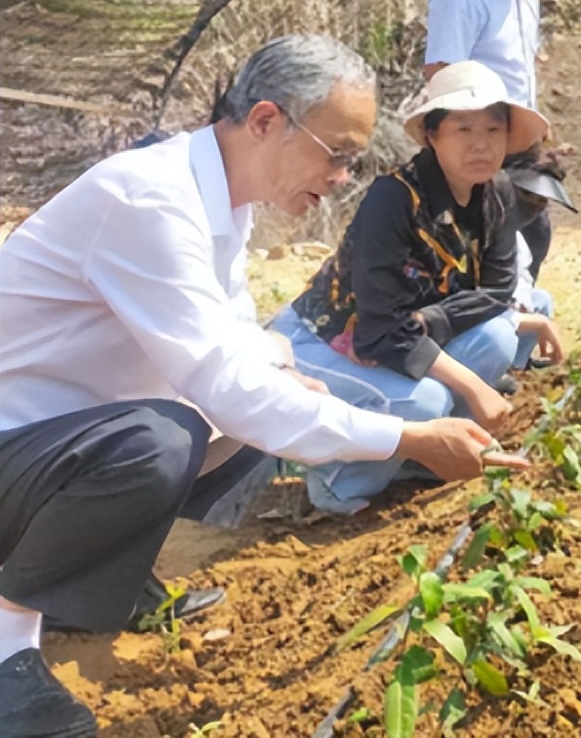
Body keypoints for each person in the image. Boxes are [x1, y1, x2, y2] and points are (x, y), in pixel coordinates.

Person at [0, 36, 524, 738]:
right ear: (268, 121)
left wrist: (294, 381)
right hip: (20, 443)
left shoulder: (222, 202)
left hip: (54, 443)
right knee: (162, 441)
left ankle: (101, 581)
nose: (343, 176)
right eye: (337, 152)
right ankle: (8, 639)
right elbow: (226, 382)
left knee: (267, 392)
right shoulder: (150, 200)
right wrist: (407, 438)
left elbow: (241, 339)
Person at [271, 61, 565, 515]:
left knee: (498, 335)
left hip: (400, 332)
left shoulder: (498, 193)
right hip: (325, 337)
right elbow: (380, 331)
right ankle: (336, 485)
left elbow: (498, 290)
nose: (480, 143)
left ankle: (427, 459)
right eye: (463, 128)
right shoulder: (394, 199)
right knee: (425, 403)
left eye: (493, 128)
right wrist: (473, 387)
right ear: (433, 135)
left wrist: (428, 323)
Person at [424, 0, 560, 278]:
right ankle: (488, 328)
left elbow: (518, 68)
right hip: (479, 140)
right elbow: (441, 72)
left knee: (534, 236)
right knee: (486, 249)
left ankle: (521, 323)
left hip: (517, 137)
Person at [504, 149, 577, 370]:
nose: (534, 206)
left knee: (541, 300)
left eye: (542, 199)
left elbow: (527, 277)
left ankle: (515, 366)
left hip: (508, 308)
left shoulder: (538, 230)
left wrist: (520, 306)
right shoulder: (486, 217)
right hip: (478, 318)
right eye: (527, 195)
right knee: (495, 334)